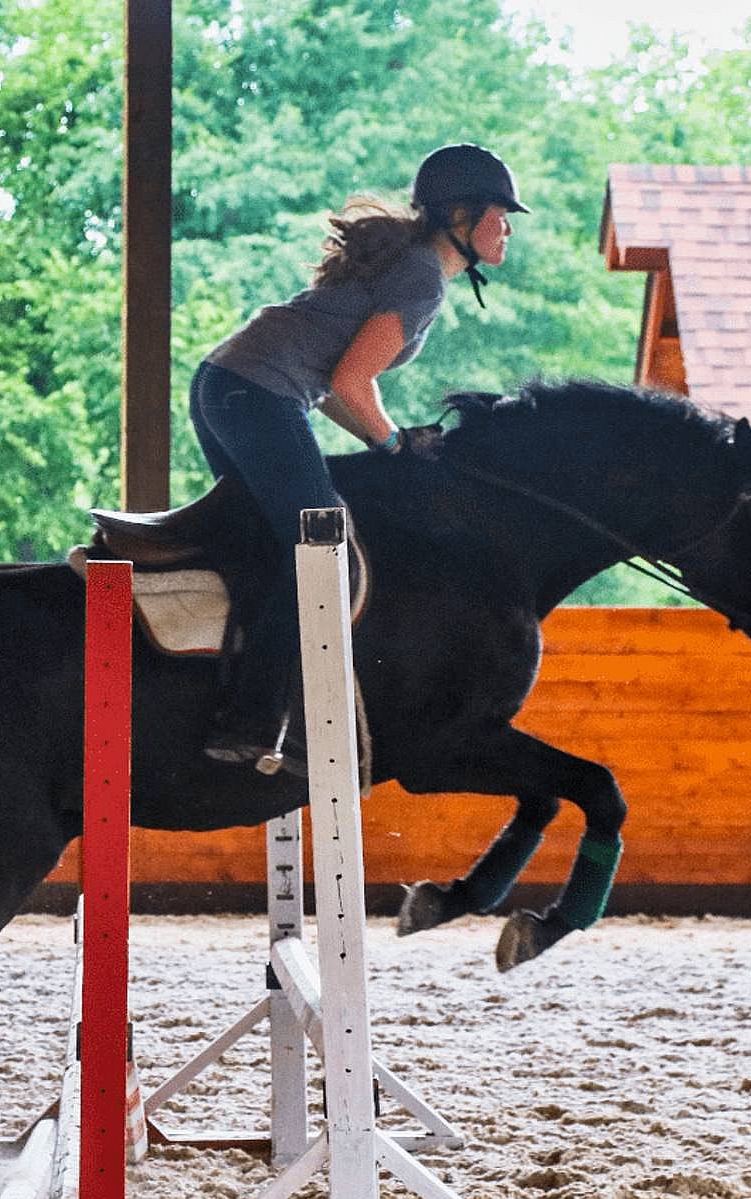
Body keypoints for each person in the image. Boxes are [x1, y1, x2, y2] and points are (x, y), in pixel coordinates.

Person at [190, 143, 528, 776]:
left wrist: (388, 438)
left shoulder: (413, 268)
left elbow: (337, 389)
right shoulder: (423, 277)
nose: (508, 226)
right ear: (460, 215)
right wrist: (396, 445)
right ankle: (251, 724)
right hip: (255, 395)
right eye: (500, 213)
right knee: (325, 549)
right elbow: (350, 384)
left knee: (280, 547)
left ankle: (235, 702)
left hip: (226, 386)